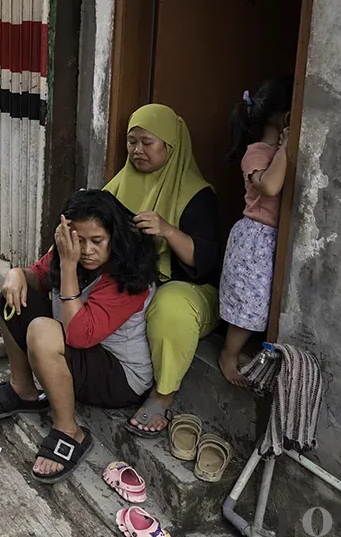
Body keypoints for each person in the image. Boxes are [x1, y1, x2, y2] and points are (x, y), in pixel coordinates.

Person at [0, 190, 158, 483]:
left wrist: (70, 264)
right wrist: (16, 274)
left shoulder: (130, 278)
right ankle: (24, 389)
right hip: (83, 353)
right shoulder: (67, 251)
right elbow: (37, 274)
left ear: (115, 237)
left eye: (97, 241)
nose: (86, 250)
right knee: (11, 298)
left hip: (119, 378)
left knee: (42, 332)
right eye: (78, 240)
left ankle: (69, 430)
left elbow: (79, 335)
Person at [105, 104, 221, 437]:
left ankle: (163, 394)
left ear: (170, 146)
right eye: (131, 142)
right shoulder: (121, 182)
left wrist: (168, 230)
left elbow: (207, 262)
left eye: (147, 142)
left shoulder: (198, 195)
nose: (137, 150)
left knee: (170, 307)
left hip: (190, 290)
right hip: (141, 279)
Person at [217, 78, 293, 385]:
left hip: (270, 240)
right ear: (284, 116)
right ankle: (228, 355)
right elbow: (270, 186)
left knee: (260, 304)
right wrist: (286, 147)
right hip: (255, 239)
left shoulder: (275, 152)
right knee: (248, 304)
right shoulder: (257, 152)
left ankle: (239, 350)